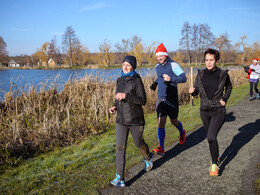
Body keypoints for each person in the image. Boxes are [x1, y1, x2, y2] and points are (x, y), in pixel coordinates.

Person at [109, 55, 153, 187]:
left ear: (133, 66)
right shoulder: (119, 80)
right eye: (123, 65)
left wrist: (126, 96)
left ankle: (148, 157)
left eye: (128, 65)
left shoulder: (137, 81)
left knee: (138, 143)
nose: (125, 67)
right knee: (120, 148)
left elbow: (142, 100)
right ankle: (120, 178)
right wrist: (114, 106)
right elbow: (118, 98)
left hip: (135, 120)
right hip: (121, 120)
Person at [189, 48, 232, 176]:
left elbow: (229, 87)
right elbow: (197, 89)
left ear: (216, 60)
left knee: (211, 136)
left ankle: (214, 164)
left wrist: (224, 99)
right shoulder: (200, 74)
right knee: (210, 139)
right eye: (206, 60)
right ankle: (216, 155)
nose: (208, 62)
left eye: (211, 60)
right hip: (204, 111)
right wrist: (193, 91)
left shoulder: (223, 74)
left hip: (218, 110)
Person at [150, 43, 187, 156]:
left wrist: (171, 79)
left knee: (174, 121)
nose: (158, 58)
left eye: (160, 56)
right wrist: (155, 83)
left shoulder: (173, 65)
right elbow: (159, 76)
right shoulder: (157, 66)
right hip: (161, 98)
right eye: (157, 57)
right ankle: (161, 147)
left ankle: (182, 132)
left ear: (165, 55)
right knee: (161, 122)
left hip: (172, 99)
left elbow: (183, 78)